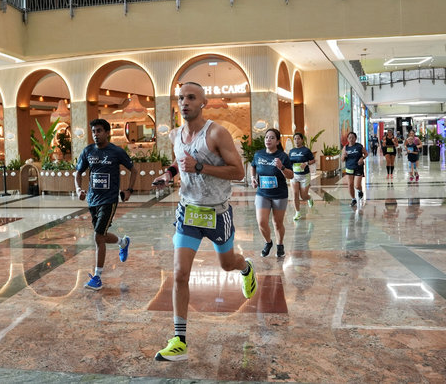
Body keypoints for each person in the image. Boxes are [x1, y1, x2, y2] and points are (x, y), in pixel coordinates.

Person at [151, 81, 258, 362]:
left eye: (191, 97)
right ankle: (179, 339)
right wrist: (168, 174)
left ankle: (246, 268)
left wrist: (199, 166)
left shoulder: (217, 133)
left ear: (203, 103)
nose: (184, 102)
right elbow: (178, 162)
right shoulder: (176, 134)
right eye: (180, 98)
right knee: (179, 274)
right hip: (189, 211)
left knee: (227, 265)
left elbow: (237, 171)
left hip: (217, 213)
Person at [75, 118, 137, 291]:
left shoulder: (116, 152)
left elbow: (134, 170)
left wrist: (129, 190)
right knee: (101, 235)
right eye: (94, 131)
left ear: (107, 132)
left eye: (99, 131)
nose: (96, 134)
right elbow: (78, 173)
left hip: (109, 200)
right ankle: (123, 242)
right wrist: (78, 189)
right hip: (92, 200)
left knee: (97, 237)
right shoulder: (88, 151)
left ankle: (97, 277)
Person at [250, 128, 293, 258]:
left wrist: (282, 167)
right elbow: (253, 166)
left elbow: (290, 176)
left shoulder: (283, 156)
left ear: (278, 141)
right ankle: (268, 242)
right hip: (262, 193)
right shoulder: (259, 154)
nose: (268, 140)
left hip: (279, 194)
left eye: (272, 137)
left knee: (277, 223)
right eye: (266, 137)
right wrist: (253, 178)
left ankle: (280, 245)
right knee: (261, 222)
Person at [288, 132, 315, 221]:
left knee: (303, 196)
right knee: (295, 194)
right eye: (295, 139)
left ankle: (309, 198)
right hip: (294, 176)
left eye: (298, 138)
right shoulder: (291, 151)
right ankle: (297, 213)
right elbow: (289, 163)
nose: (296, 140)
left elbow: (313, 160)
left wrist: (306, 163)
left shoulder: (306, 150)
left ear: (302, 140)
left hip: (304, 176)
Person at [341, 131, 368, 206]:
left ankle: (360, 190)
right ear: (347, 139)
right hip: (349, 167)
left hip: (358, 167)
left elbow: (366, 153)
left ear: (355, 138)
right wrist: (344, 155)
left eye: (353, 138)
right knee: (350, 185)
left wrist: (362, 158)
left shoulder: (359, 146)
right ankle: (353, 199)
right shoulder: (345, 148)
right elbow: (342, 160)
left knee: (356, 185)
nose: (351, 139)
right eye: (349, 138)